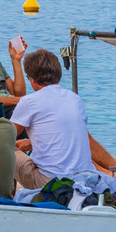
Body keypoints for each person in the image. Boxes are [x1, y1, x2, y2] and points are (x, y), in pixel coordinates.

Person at [10, 48, 94, 190]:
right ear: (58, 75)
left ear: (32, 79)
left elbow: (5, 138)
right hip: (83, 178)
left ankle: (7, 199)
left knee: (8, 152)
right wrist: (31, 143)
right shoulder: (75, 99)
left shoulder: (29, 101)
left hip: (50, 183)